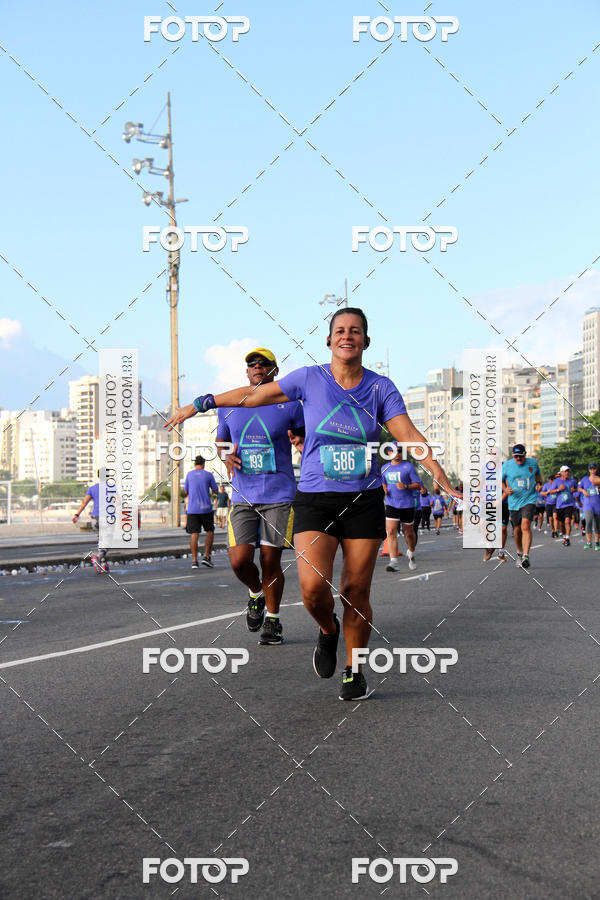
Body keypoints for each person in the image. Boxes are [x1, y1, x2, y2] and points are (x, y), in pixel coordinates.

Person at [166, 308, 458, 701]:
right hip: (316, 497)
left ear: (365, 341)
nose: (347, 336)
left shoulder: (380, 388)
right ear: (329, 340)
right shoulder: (309, 378)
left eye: (355, 331)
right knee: (311, 591)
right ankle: (328, 629)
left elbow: (405, 431)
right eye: (340, 330)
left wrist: (436, 471)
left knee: (355, 589)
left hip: (362, 498)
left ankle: (354, 670)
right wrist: (200, 404)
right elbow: (254, 396)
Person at [216, 347, 305, 645]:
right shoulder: (230, 405)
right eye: (252, 363)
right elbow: (221, 440)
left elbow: (303, 434)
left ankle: (274, 620)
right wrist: (225, 455)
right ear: (246, 372)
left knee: (270, 559)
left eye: (263, 363)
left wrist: (302, 443)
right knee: (240, 560)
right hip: (243, 495)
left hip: (279, 493)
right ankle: (255, 593)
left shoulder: (290, 404)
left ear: (274, 370)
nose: (257, 366)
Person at [501, 443, 542, 569]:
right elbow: (499, 480)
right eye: (516, 456)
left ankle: (526, 555)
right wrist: (505, 489)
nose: (518, 459)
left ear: (525, 454)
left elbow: (538, 476)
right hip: (514, 502)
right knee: (516, 531)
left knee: (525, 525)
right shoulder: (507, 465)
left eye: (520, 456)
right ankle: (519, 552)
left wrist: (539, 484)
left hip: (529, 499)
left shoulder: (533, 463)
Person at [381, 447, 421, 572]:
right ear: (388, 453)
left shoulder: (408, 467)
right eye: (394, 451)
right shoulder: (384, 468)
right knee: (391, 531)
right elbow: (383, 482)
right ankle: (394, 562)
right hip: (391, 503)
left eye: (399, 451)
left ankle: (411, 552)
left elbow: (418, 484)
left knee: (408, 533)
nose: (397, 453)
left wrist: (406, 486)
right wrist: (384, 489)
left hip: (407, 504)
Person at [184, 455, 218, 567]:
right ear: (203, 464)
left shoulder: (189, 475)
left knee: (194, 533)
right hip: (206, 509)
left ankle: (194, 561)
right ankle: (206, 557)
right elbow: (215, 491)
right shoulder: (208, 475)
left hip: (192, 509)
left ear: (195, 464)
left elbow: (186, 492)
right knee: (210, 531)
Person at [72, 473, 109, 573]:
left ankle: (104, 564)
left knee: (102, 539)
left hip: (94, 518)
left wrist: (77, 515)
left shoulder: (92, 488)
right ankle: (98, 558)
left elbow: (84, 502)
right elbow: (118, 502)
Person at [548, 465, 578, 547]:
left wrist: (574, 490)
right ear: (561, 472)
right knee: (561, 524)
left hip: (569, 504)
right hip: (560, 505)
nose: (567, 473)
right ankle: (564, 536)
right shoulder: (557, 481)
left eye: (568, 471)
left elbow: (578, 488)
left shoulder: (572, 481)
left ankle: (567, 538)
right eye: (565, 471)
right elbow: (550, 491)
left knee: (567, 521)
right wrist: (558, 489)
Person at [579, 462, 600, 550]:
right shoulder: (585, 479)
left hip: (597, 504)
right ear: (589, 470)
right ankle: (588, 542)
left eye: (594, 468)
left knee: (597, 525)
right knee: (588, 521)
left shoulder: (599, 479)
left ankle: (597, 543)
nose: (592, 470)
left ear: (596, 469)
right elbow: (579, 488)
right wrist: (583, 491)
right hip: (588, 504)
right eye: (591, 469)